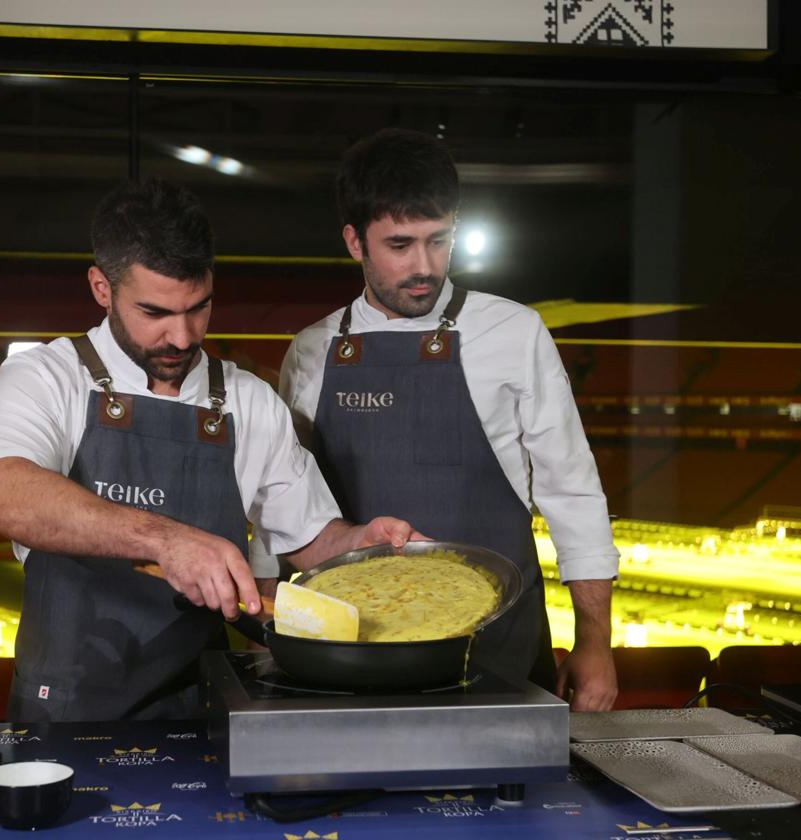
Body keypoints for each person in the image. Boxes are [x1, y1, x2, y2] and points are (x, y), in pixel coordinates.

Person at [0, 177, 421, 723]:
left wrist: (361, 542)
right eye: (156, 313)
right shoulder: (45, 376)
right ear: (101, 287)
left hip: (202, 701)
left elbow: (309, 535)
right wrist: (167, 541)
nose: (183, 338)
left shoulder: (248, 400)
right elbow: (8, 497)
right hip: (68, 705)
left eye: (199, 309)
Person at [252, 128, 619, 711]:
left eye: (438, 241)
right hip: (352, 653)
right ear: (355, 242)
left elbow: (573, 491)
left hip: (500, 652)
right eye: (400, 245)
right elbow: (279, 502)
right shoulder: (313, 350)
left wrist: (595, 641)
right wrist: (272, 623)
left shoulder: (514, 332)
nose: (423, 266)